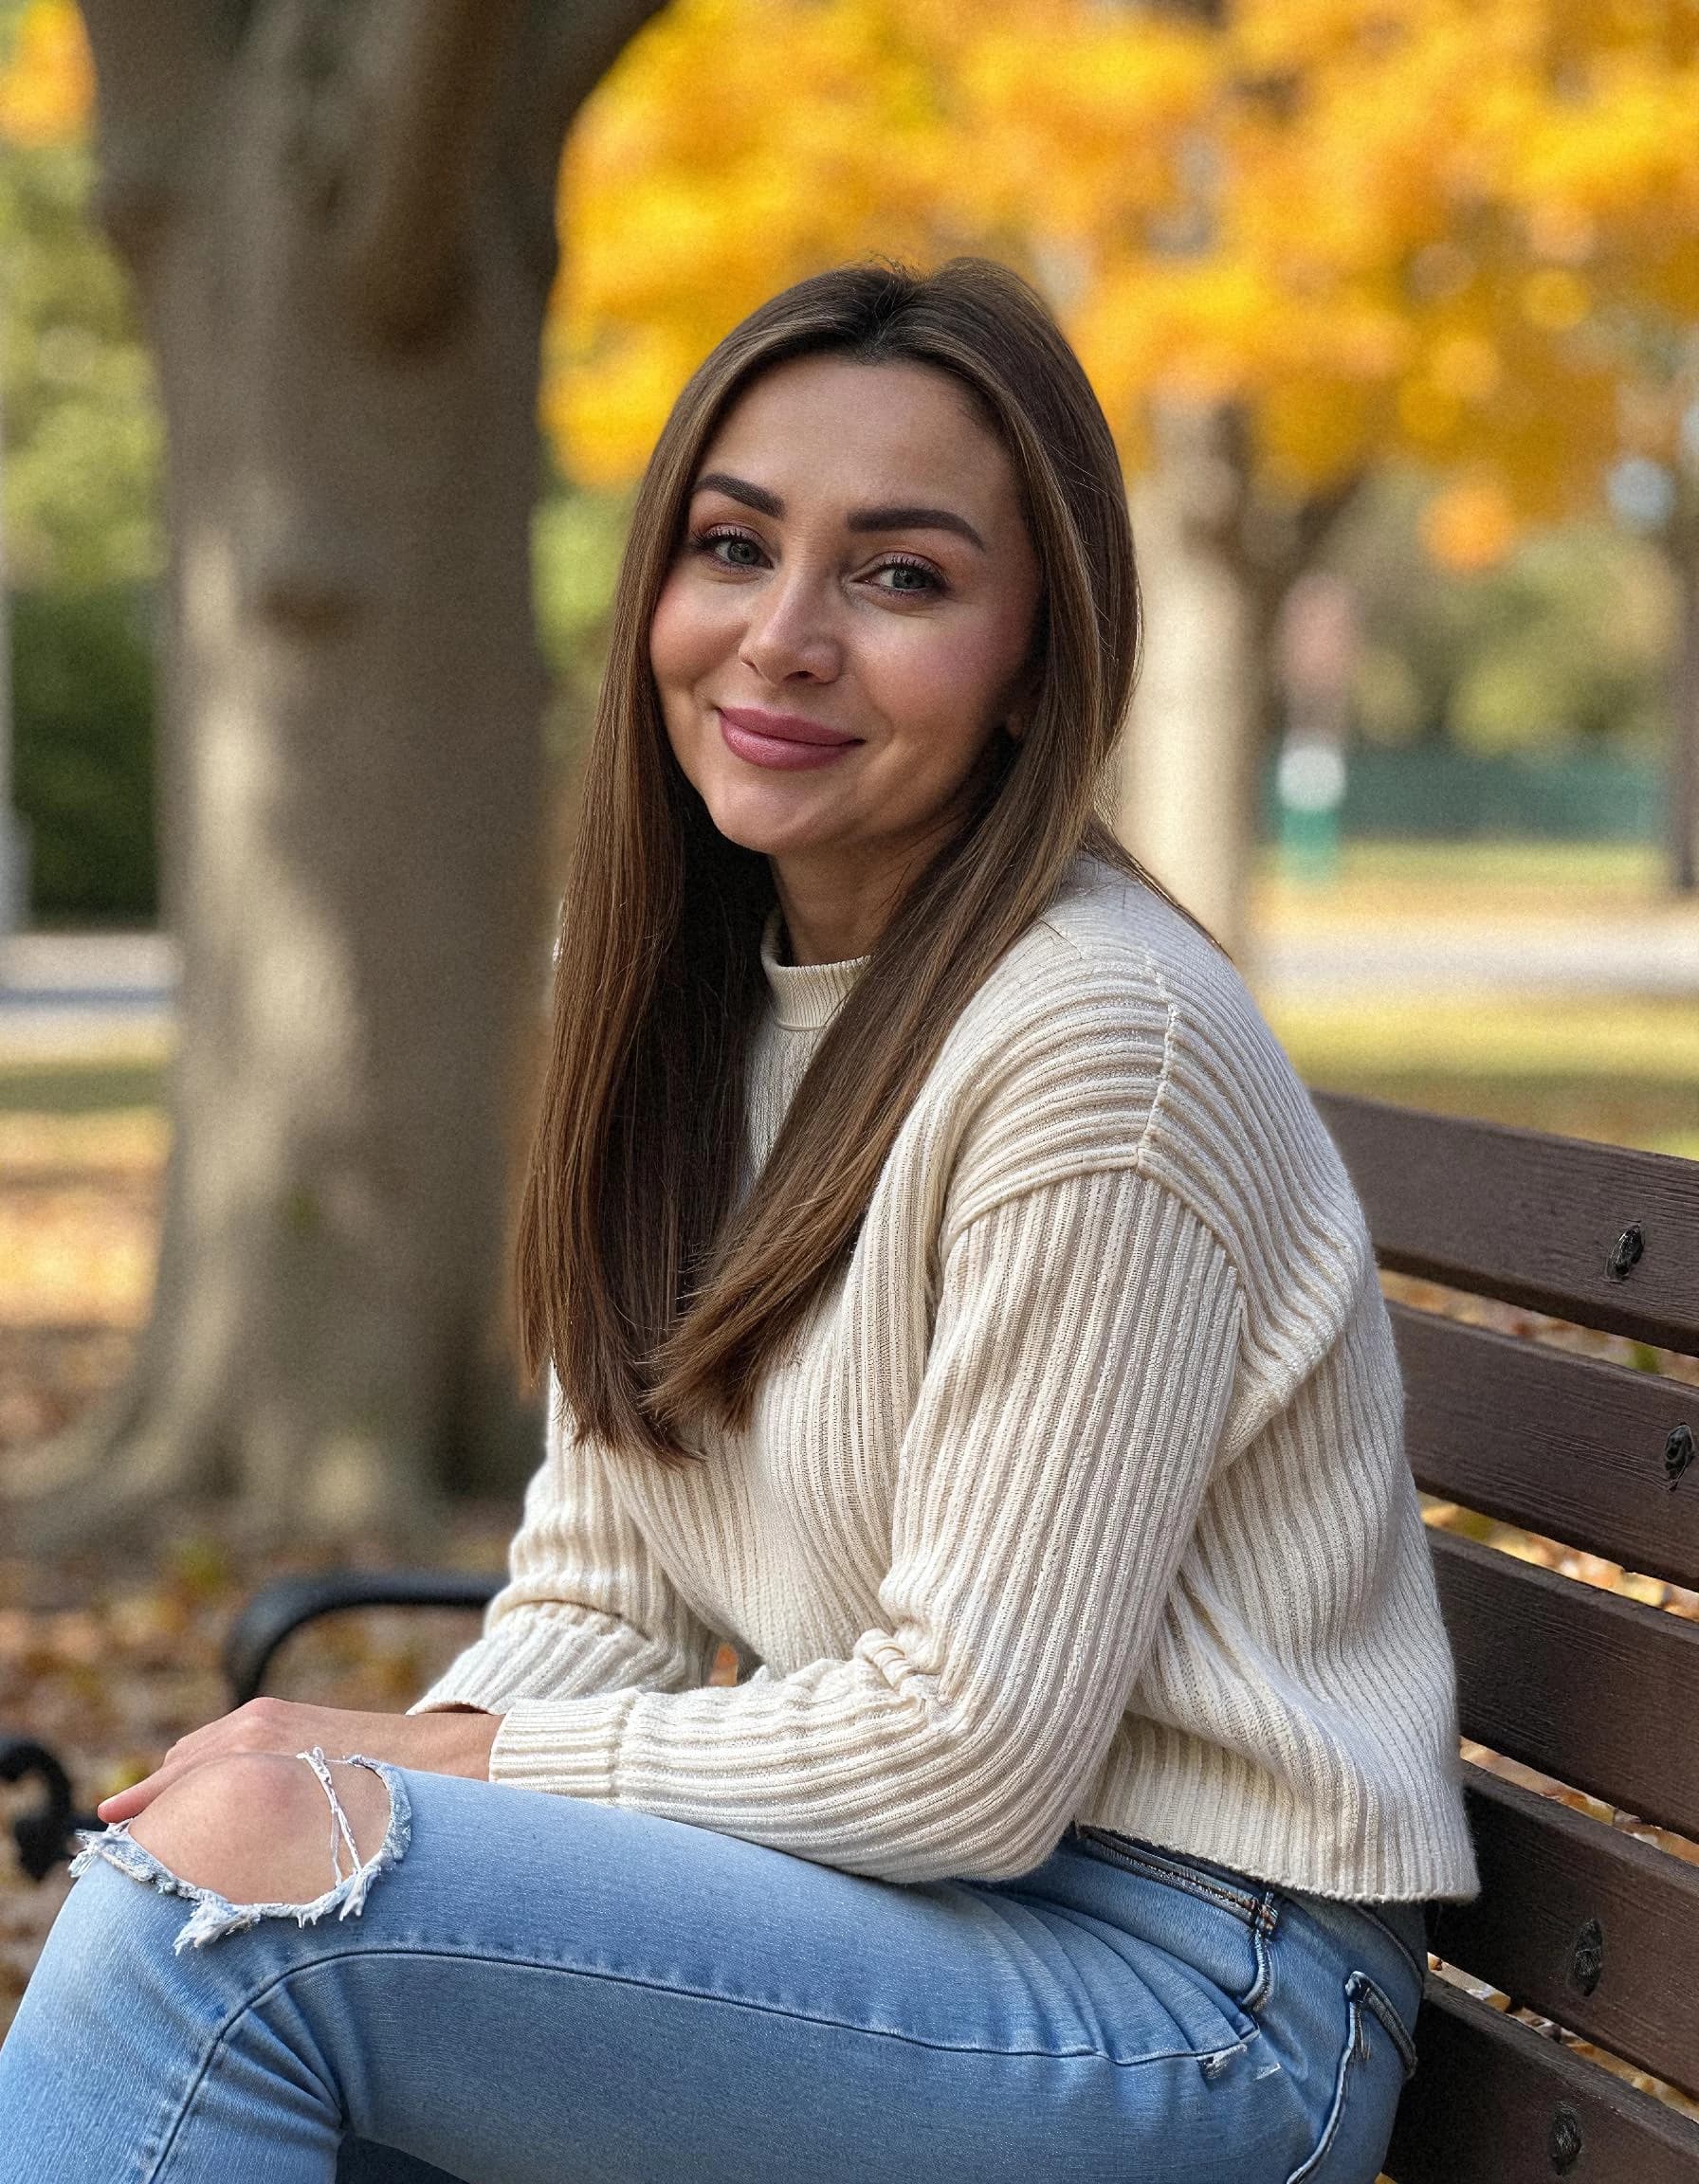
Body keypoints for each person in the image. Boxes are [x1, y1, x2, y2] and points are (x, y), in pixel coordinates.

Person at [0, 258, 1477, 2184]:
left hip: (1200, 2002)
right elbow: (603, 1598)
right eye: (731, 547)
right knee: (242, 1891)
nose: (779, 637)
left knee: (244, 1939)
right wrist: (357, 1786)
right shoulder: (685, 1002)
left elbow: (968, 1748)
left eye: (898, 575)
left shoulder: (1097, 1046)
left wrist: (411, 1782)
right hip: (940, 1932)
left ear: (1039, 657)